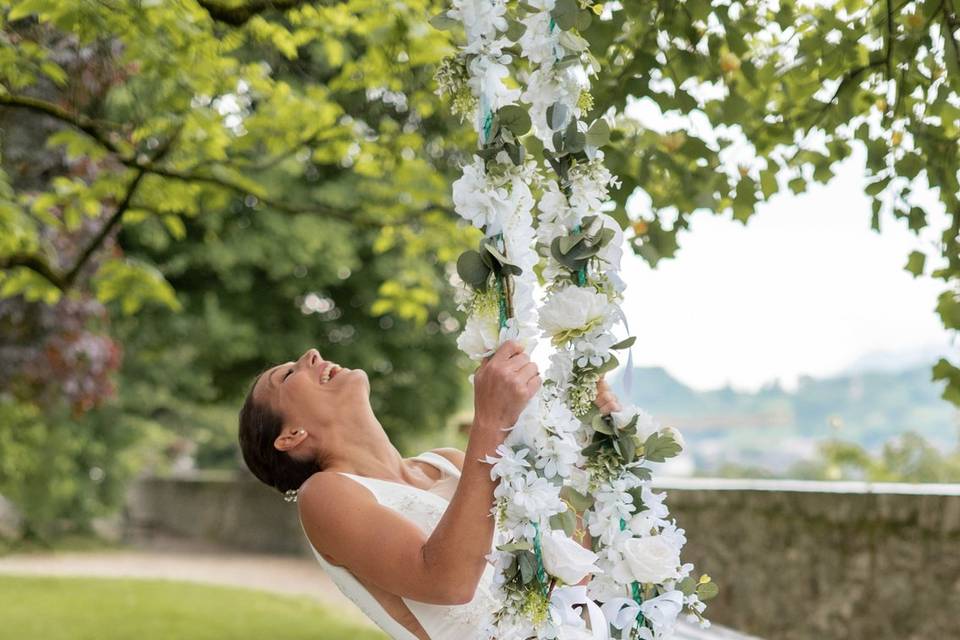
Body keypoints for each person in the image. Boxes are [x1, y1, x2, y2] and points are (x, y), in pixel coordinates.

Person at [237, 341, 622, 640]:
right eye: (287, 376)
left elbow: (567, 569)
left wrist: (588, 449)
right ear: (291, 435)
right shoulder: (324, 494)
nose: (311, 354)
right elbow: (448, 583)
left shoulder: (449, 463)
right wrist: (490, 420)